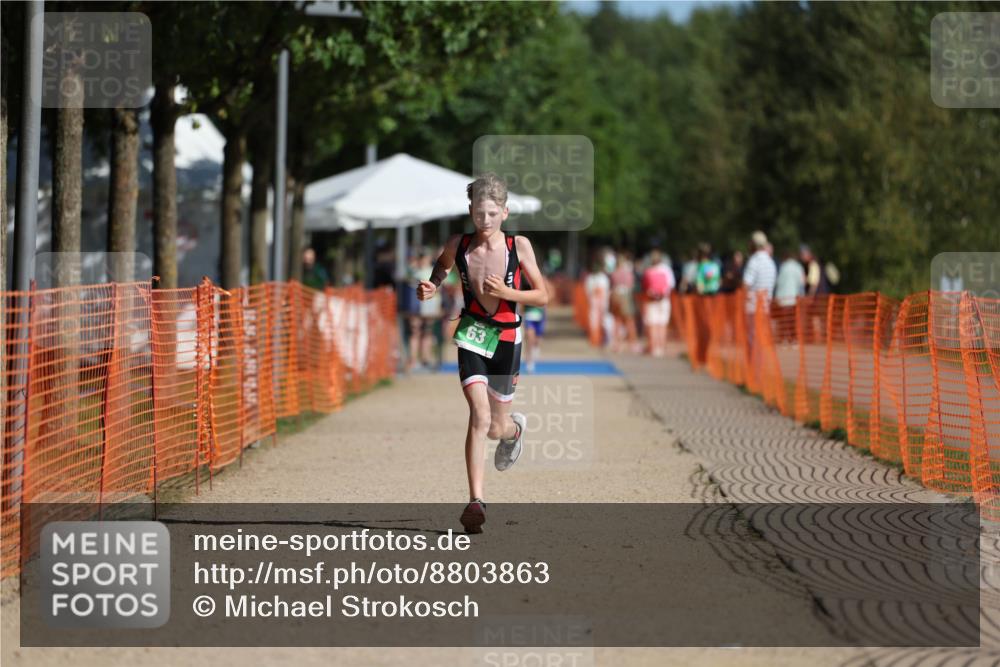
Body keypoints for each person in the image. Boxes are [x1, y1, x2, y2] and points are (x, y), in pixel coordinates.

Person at [416, 173, 547, 534]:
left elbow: (542, 295)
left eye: (491, 213)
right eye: (478, 213)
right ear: (470, 210)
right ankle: (476, 501)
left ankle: (513, 431)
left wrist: (509, 293)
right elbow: (443, 264)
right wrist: (433, 285)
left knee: (495, 428)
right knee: (479, 414)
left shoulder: (518, 246)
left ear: (504, 213)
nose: (484, 220)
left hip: (507, 338)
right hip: (473, 333)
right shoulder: (459, 244)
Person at [743, 230, 778, 358]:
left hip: (752, 307)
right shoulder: (771, 262)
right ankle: (759, 367)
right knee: (760, 340)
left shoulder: (754, 261)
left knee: (752, 340)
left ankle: (753, 368)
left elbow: (746, 284)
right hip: (765, 307)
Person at [641, 249, 675, 357]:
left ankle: (654, 347)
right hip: (664, 300)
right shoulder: (666, 270)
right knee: (662, 324)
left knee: (653, 324)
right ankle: (661, 347)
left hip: (651, 300)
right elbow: (671, 285)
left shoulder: (648, 271)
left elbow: (645, 287)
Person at [609, 251, 639, 353]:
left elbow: (612, 285)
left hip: (616, 296)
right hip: (626, 296)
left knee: (617, 321)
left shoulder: (614, 273)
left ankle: (617, 345)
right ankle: (633, 344)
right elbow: (631, 285)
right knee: (630, 321)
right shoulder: (627, 273)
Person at [773, 249, 805, 343]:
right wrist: (802, 295)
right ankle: (793, 338)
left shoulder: (783, 267)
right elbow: (801, 283)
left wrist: (776, 296)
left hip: (783, 298)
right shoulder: (798, 267)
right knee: (793, 320)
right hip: (794, 297)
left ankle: (784, 338)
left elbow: (778, 282)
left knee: (784, 320)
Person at [584, 258, 611, 347]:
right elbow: (589, 290)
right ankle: (595, 338)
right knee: (594, 319)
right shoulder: (591, 278)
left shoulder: (602, 278)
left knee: (604, 319)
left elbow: (603, 290)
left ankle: (605, 337)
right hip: (595, 301)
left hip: (601, 301)